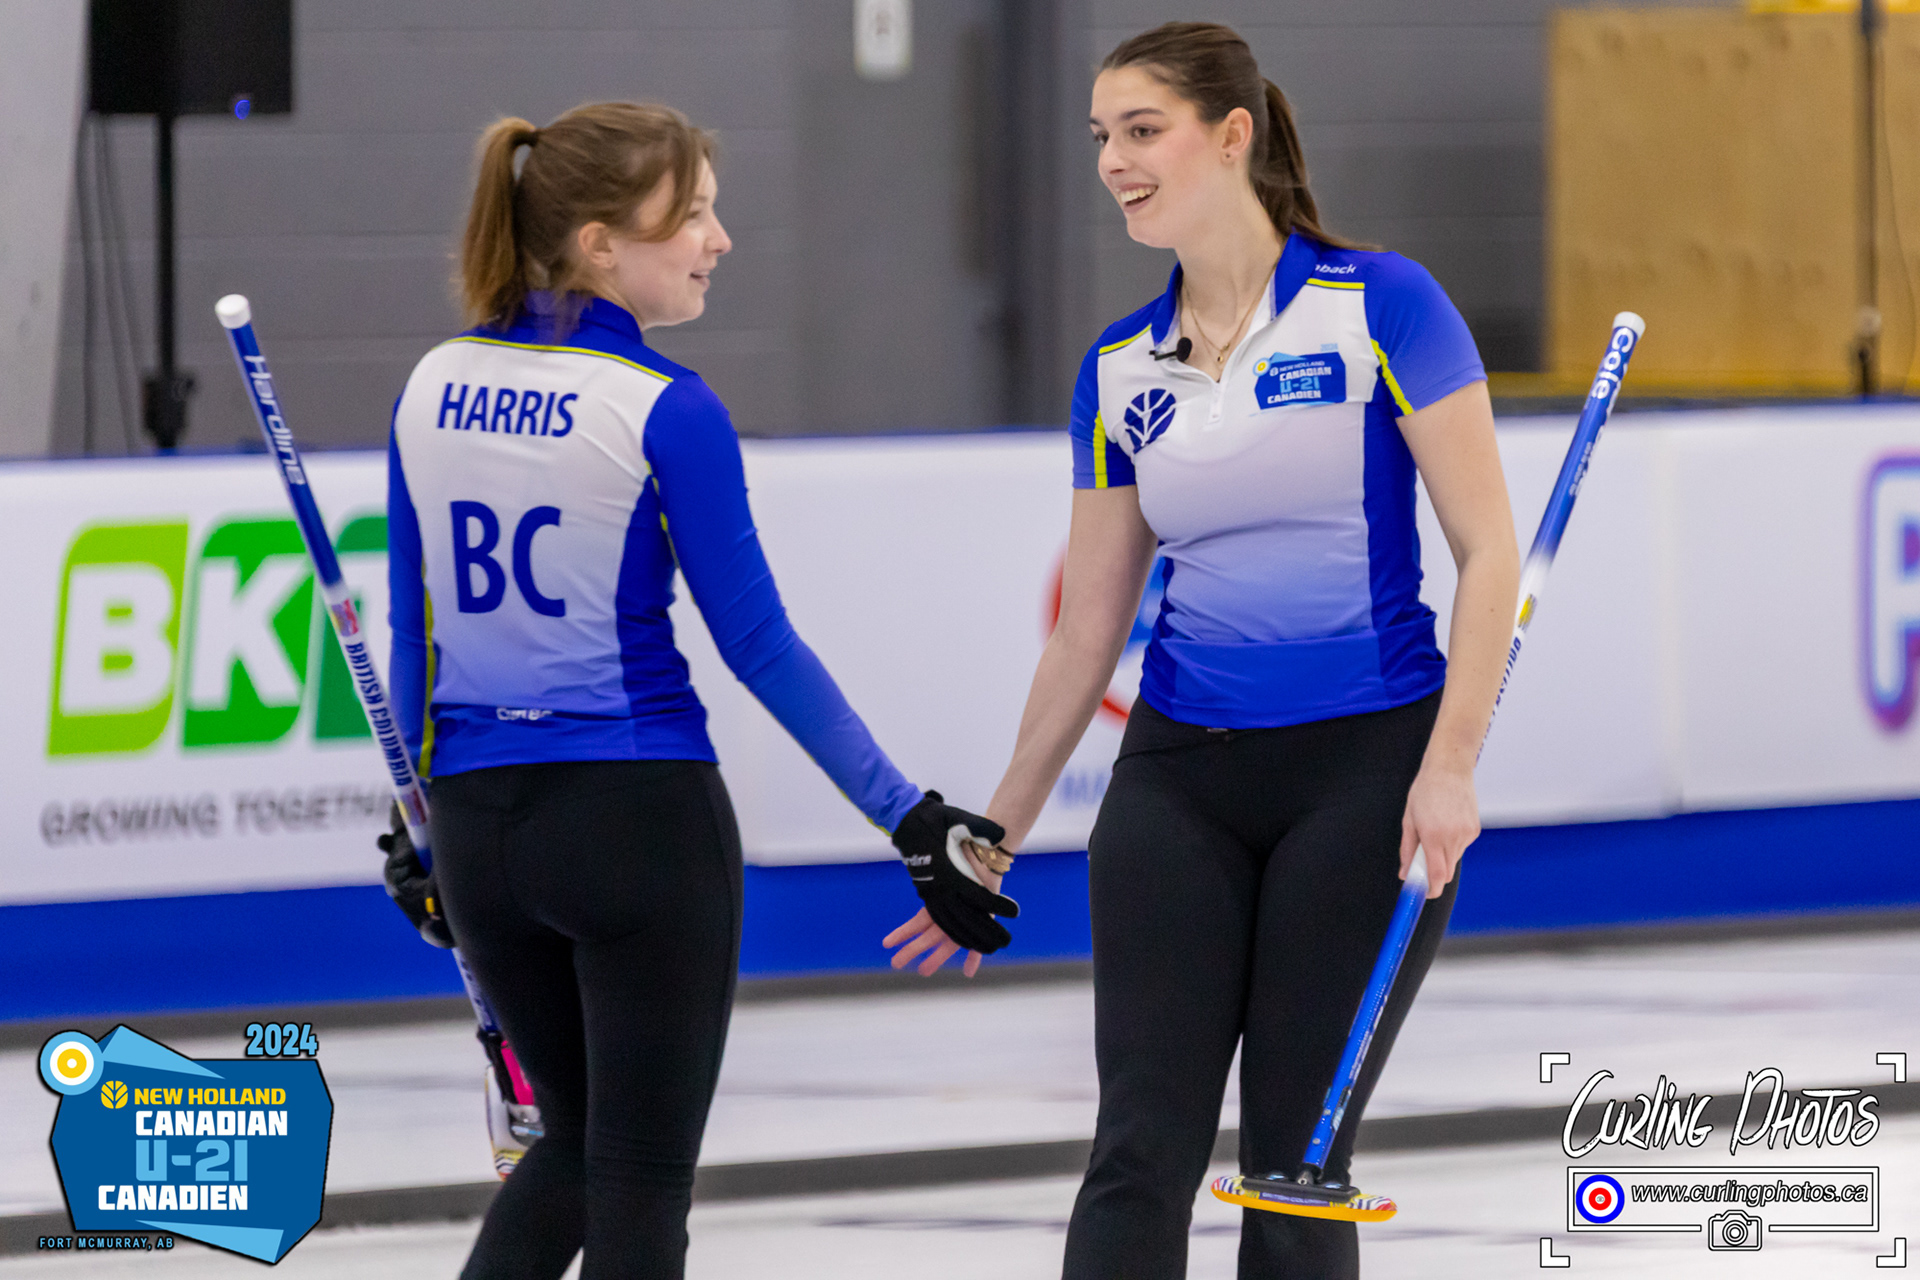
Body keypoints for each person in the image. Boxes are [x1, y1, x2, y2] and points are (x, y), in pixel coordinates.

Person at [884, 22, 1520, 1279]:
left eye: (1142, 130)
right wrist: (994, 832)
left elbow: (1489, 552)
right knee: (1137, 1151)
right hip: (1180, 782)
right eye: (1102, 137)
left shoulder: (1383, 305)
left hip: (1365, 776)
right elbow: (1088, 627)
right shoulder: (1119, 369)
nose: (1113, 162)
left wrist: (1450, 766)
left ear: (1233, 136)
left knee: (1294, 1170)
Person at [377, 102, 1013, 1280]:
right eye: (694, 217)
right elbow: (757, 643)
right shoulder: (667, 407)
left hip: (479, 831)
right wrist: (910, 817)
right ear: (599, 243)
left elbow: (414, 631)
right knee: (635, 1176)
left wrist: (420, 823)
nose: (719, 240)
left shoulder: (432, 383)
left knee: (571, 1150)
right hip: (636, 824)